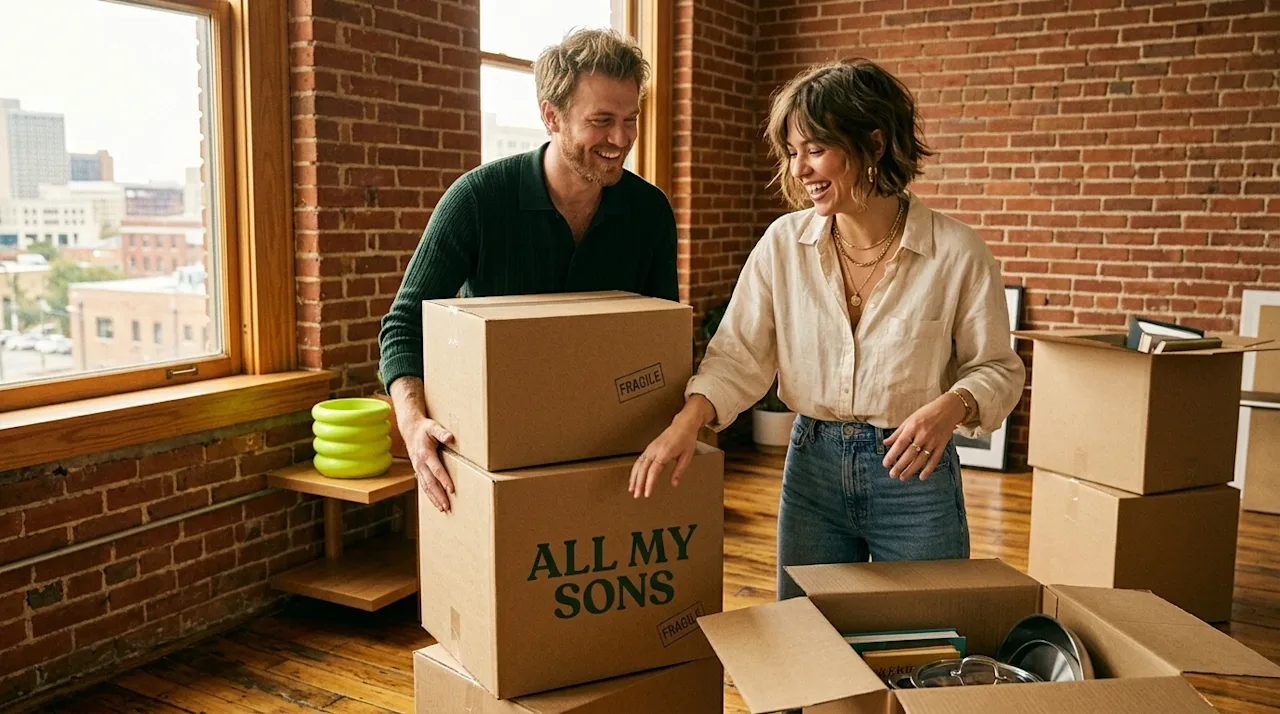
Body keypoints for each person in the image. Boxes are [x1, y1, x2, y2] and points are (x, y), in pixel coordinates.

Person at [629, 59, 1026, 600]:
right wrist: (689, 421)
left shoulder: (957, 253)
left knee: (925, 636)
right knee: (806, 634)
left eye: (814, 150)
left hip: (914, 476)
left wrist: (952, 406)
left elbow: (997, 369)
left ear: (875, 143)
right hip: (812, 468)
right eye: (792, 153)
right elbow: (739, 353)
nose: (799, 170)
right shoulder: (782, 245)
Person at [379, 29, 677, 513]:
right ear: (551, 116)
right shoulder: (476, 200)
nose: (621, 139)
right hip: (497, 455)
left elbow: (662, 339)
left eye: (630, 120)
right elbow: (403, 326)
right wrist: (412, 424)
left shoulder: (651, 212)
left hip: (614, 457)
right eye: (601, 121)